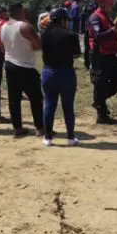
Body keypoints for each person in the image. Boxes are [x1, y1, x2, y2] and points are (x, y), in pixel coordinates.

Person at [1, 2, 44, 137]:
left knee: (14, 98)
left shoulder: (3, 27)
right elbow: (38, 46)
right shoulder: (25, 27)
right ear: (20, 11)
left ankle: (17, 128)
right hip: (25, 66)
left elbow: (3, 46)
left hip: (9, 64)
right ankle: (40, 128)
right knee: (36, 98)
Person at [41, 8, 81, 146]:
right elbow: (76, 54)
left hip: (48, 72)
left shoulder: (44, 35)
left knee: (49, 105)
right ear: (64, 20)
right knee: (68, 106)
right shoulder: (71, 35)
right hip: (66, 73)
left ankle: (47, 137)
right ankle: (70, 137)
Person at [86, 0, 117, 124]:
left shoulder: (107, 15)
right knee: (100, 84)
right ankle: (101, 114)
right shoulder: (95, 17)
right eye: (110, 3)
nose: (111, 6)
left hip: (110, 55)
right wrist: (114, 29)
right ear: (102, 2)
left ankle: (98, 101)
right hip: (100, 56)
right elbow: (98, 36)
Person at [80, 0, 99, 69]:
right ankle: (87, 64)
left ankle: (97, 63)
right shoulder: (87, 6)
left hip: (97, 29)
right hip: (88, 29)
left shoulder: (101, 5)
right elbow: (83, 17)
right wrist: (81, 29)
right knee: (87, 47)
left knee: (97, 46)